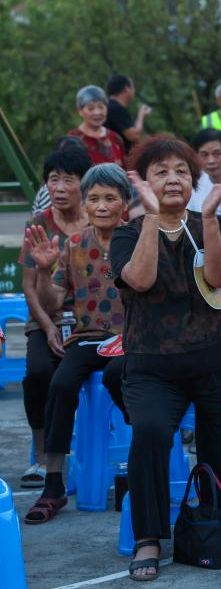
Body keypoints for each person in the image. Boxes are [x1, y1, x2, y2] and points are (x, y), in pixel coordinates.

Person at [111, 136, 221, 580]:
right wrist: (150, 218)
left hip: (219, 363)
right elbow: (141, 280)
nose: (173, 179)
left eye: (181, 171)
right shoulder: (127, 234)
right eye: (161, 171)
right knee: (149, 431)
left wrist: (212, 219)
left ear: (194, 180)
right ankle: (148, 536)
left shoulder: (209, 225)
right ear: (145, 183)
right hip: (153, 369)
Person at [21, 164, 130, 524]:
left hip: (131, 339)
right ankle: (53, 483)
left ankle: (137, 461)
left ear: (125, 203)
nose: (101, 206)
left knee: (119, 376)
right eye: (94, 198)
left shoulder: (136, 240)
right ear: (85, 204)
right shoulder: (74, 244)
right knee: (60, 384)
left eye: (110, 198)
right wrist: (42, 269)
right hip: (87, 339)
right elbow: (52, 302)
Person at [18, 148, 92, 488]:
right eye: (53, 180)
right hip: (47, 316)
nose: (59, 188)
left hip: (89, 320)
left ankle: (91, 447)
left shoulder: (96, 219)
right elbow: (28, 286)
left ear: (83, 183)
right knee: (37, 371)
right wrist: (47, 328)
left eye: (68, 180)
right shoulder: (38, 224)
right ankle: (41, 454)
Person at [67, 85, 126, 166]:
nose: (97, 113)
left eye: (101, 107)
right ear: (80, 110)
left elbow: (124, 168)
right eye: (91, 108)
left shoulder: (115, 138)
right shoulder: (72, 140)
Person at [104, 74, 150, 151]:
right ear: (126, 89)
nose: (134, 91)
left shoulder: (110, 107)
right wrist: (141, 115)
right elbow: (133, 136)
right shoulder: (116, 109)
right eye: (132, 87)